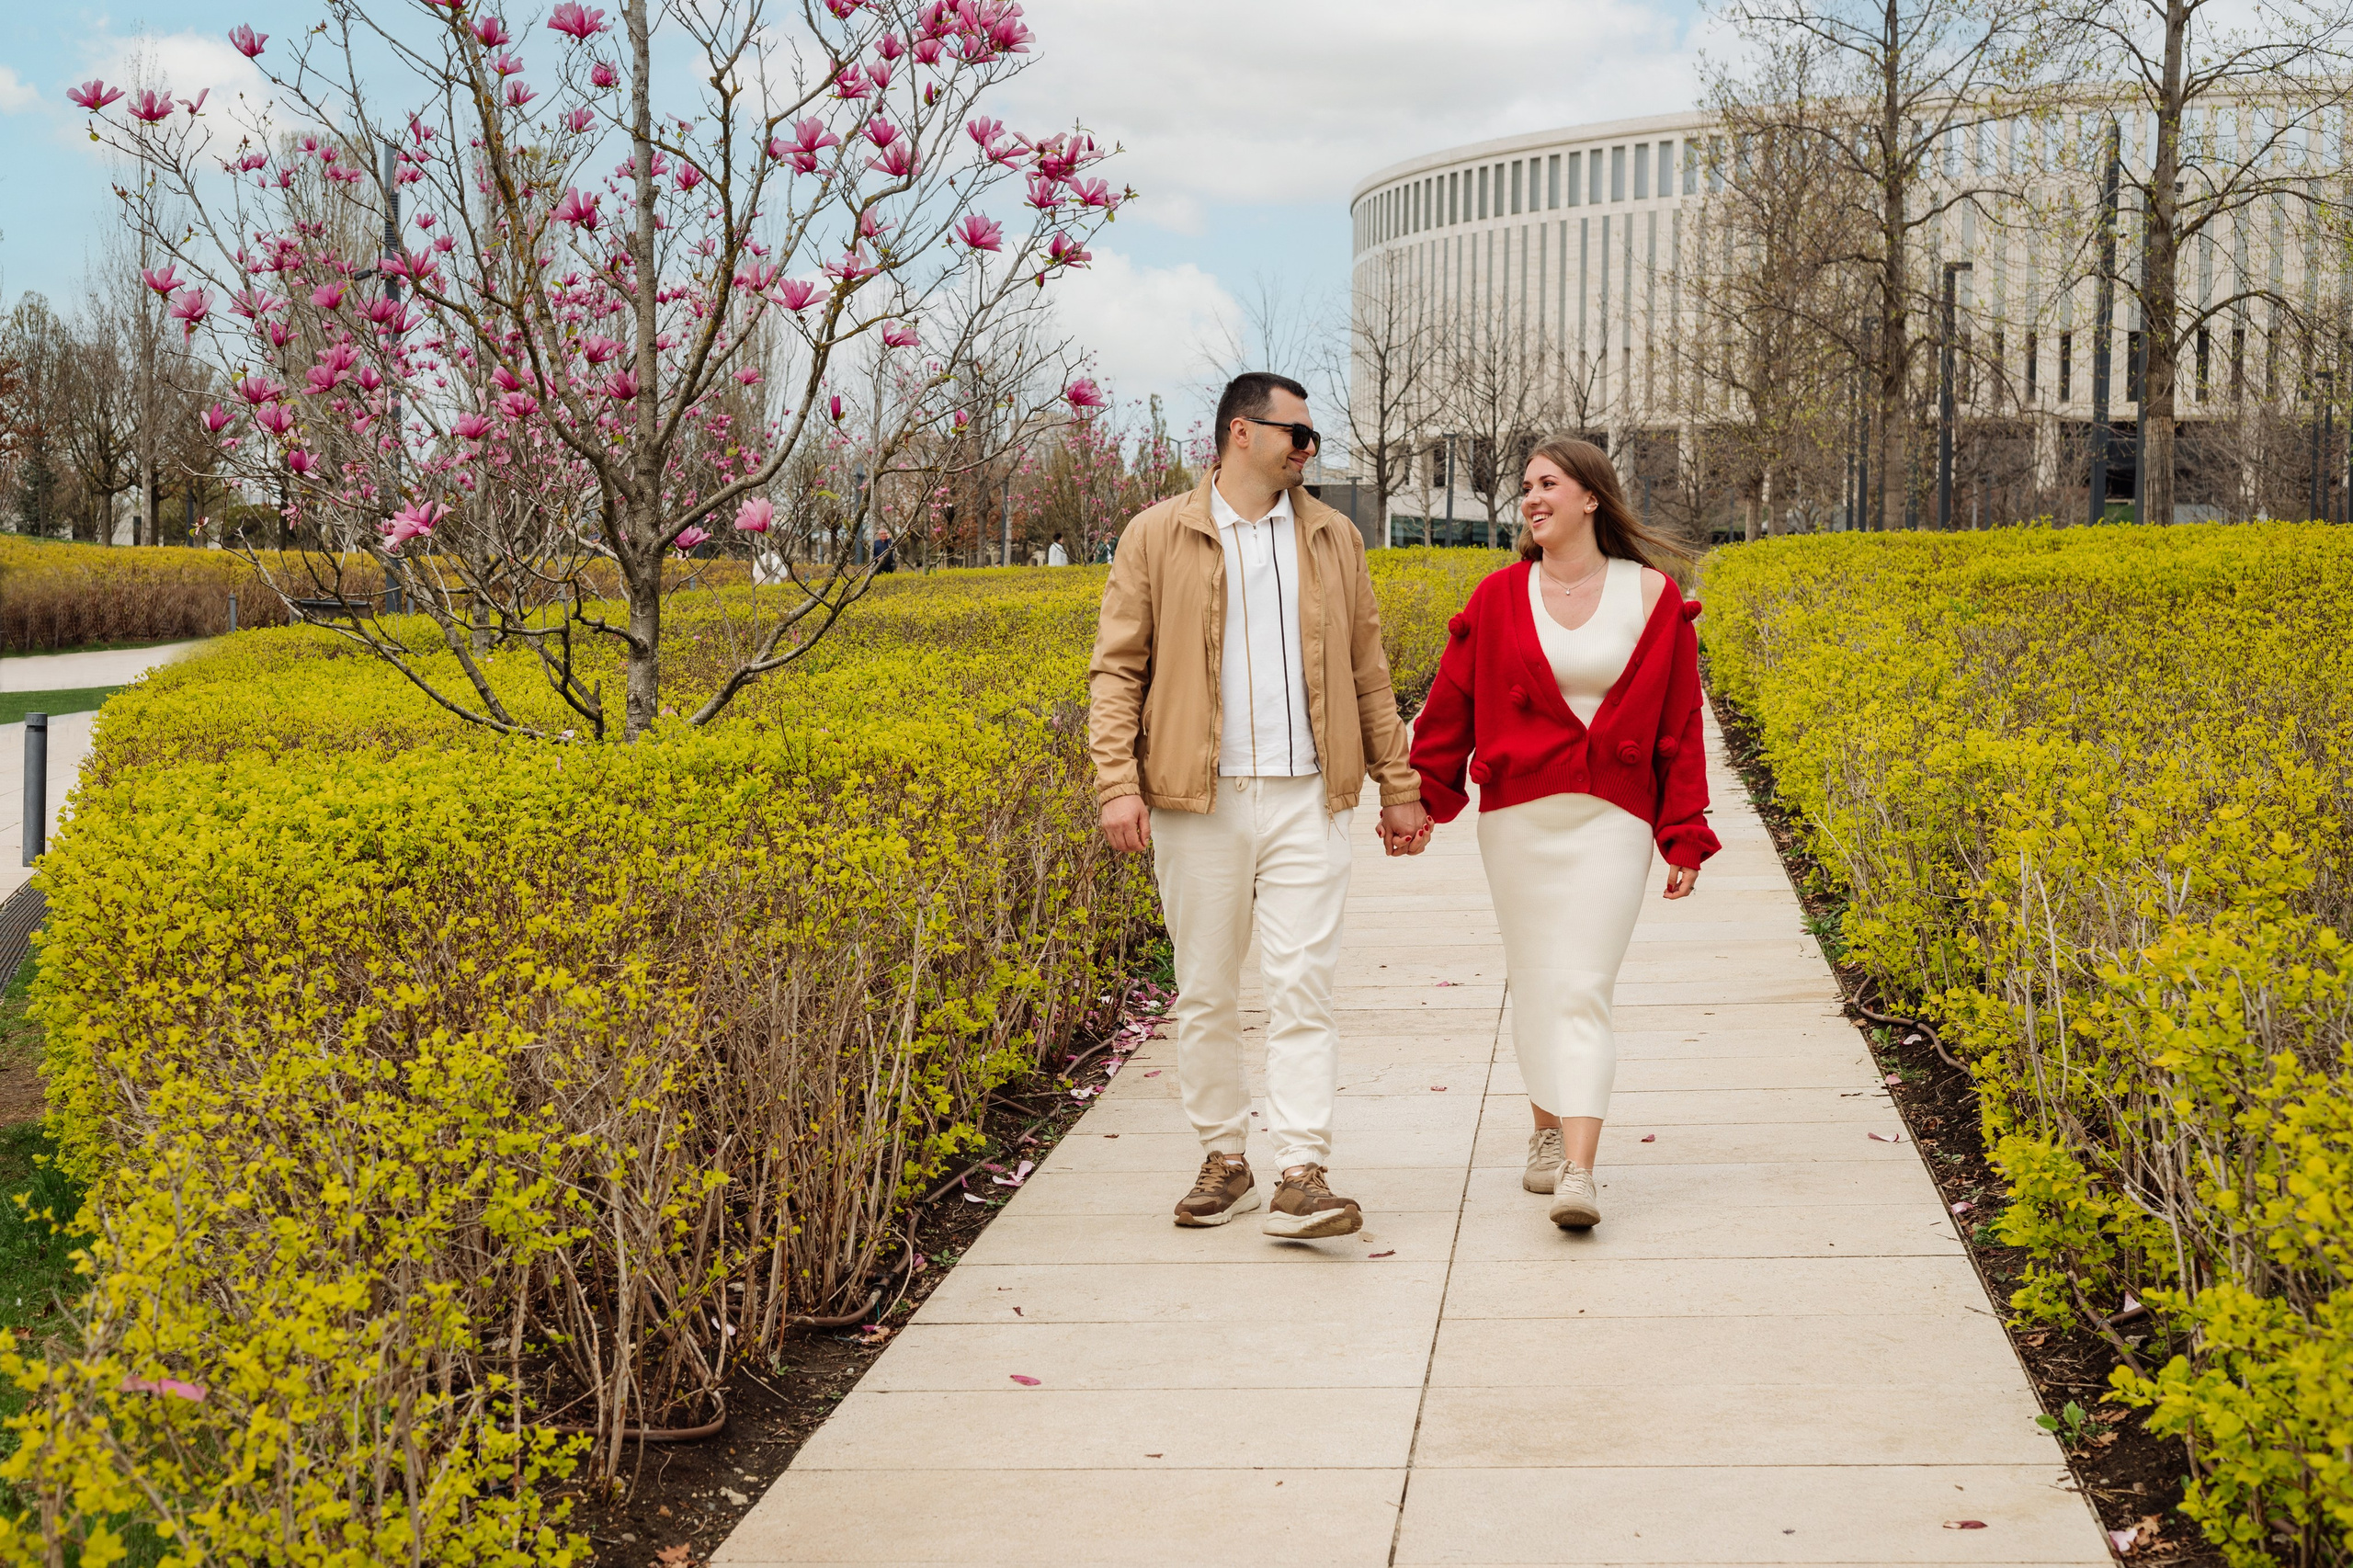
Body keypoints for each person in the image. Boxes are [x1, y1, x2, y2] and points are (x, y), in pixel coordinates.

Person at [1090, 371, 1432, 1239]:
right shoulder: (1155, 535)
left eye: (1310, 438)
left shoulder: (1333, 538)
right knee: (1205, 990)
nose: (1308, 450)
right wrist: (1116, 783)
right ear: (1242, 433)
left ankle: (1302, 1171)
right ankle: (1225, 1159)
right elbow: (1118, 669)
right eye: (1298, 435)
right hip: (1193, 801)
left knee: (1303, 987)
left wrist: (1399, 787)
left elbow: (1368, 670)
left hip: (1308, 798)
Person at [1408, 437, 1717, 1230]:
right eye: (1526, 487)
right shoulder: (1497, 597)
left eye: (1548, 483)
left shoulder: (1652, 595)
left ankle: (1579, 1169)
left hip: (1613, 815)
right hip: (1517, 821)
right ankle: (1545, 1133)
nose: (1532, 498)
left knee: (1583, 984)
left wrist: (1683, 830)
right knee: (1539, 976)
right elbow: (1450, 708)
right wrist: (1418, 797)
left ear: (1591, 497)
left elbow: (1680, 719)